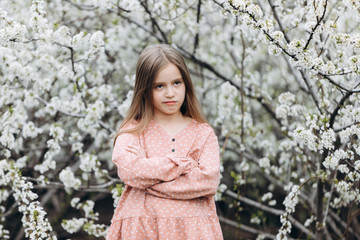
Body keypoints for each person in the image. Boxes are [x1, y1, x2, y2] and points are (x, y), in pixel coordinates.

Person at [106, 44, 223, 240]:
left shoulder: (203, 133)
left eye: (176, 83)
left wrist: (148, 181)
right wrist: (183, 165)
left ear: (186, 84)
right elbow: (129, 170)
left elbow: (208, 181)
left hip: (192, 231)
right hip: (142, 228)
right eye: (159, 86)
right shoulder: (133, 130)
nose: (170, 93)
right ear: (144, 90)